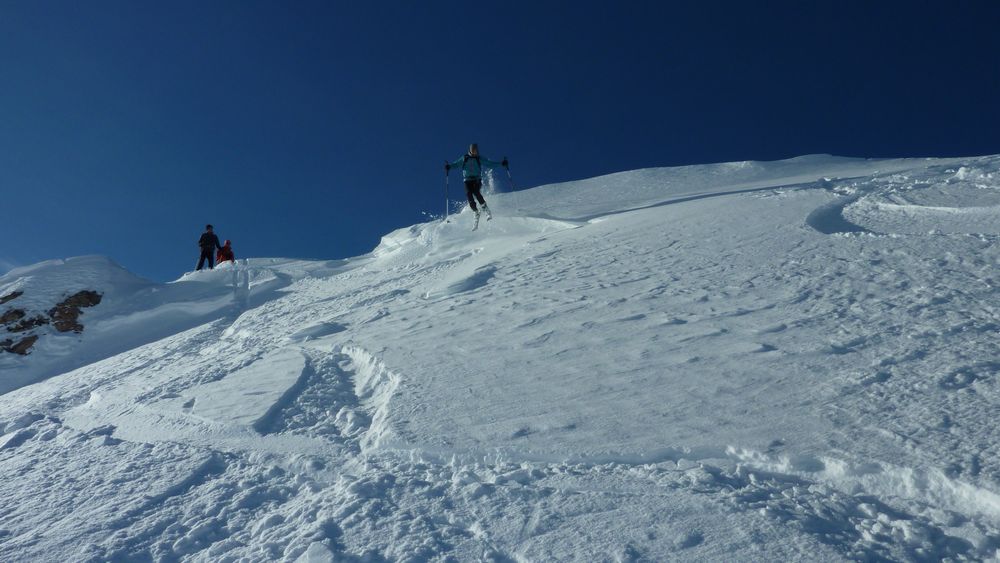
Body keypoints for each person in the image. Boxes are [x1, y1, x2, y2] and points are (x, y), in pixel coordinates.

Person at [445, 143, 508, 220]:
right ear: (470, 151)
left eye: (476, 151)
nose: (475, 153)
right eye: (474, 151)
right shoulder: (465, 158)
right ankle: (476, 211)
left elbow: (490, 164)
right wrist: (449, 167)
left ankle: (486, 210)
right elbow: (456, 164)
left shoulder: (479, 158)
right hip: (467, 180)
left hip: (477, 179)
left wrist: (501, 163)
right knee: (468, 194)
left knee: (476, 192)